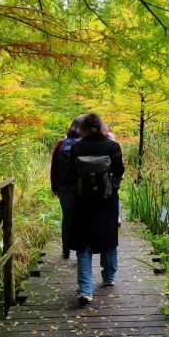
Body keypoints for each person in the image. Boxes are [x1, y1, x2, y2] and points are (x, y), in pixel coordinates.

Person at [68, 113, 125, 305]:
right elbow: (119, 171)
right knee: (108, 238)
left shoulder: (77, 147)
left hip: (83, 202)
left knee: (83, 244)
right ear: (101, 126)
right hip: (106, 201)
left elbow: (70, 174)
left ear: (83, 128)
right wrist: (112, 187)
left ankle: (85, 290)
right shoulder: (112, 146)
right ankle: (108, 277)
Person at [50, 116, 84, 259]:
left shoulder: (61, 144)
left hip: (64, 187)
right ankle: (80, 250)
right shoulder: (85, 144)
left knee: (67, 217)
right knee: (81, 218)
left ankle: (66, 248)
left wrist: (55, 187)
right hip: (83, 187)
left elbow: (54, 168)